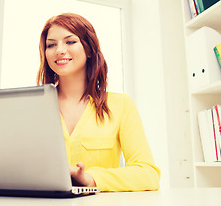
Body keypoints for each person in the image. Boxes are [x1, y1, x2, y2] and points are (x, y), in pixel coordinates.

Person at [36, 13, 160, 192]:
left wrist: (91, 179)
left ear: (88, 48)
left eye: (70, 42)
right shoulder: (35, 108)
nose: (59, 50)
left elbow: (148, 174)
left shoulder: (121, 105)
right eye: (51, 45)